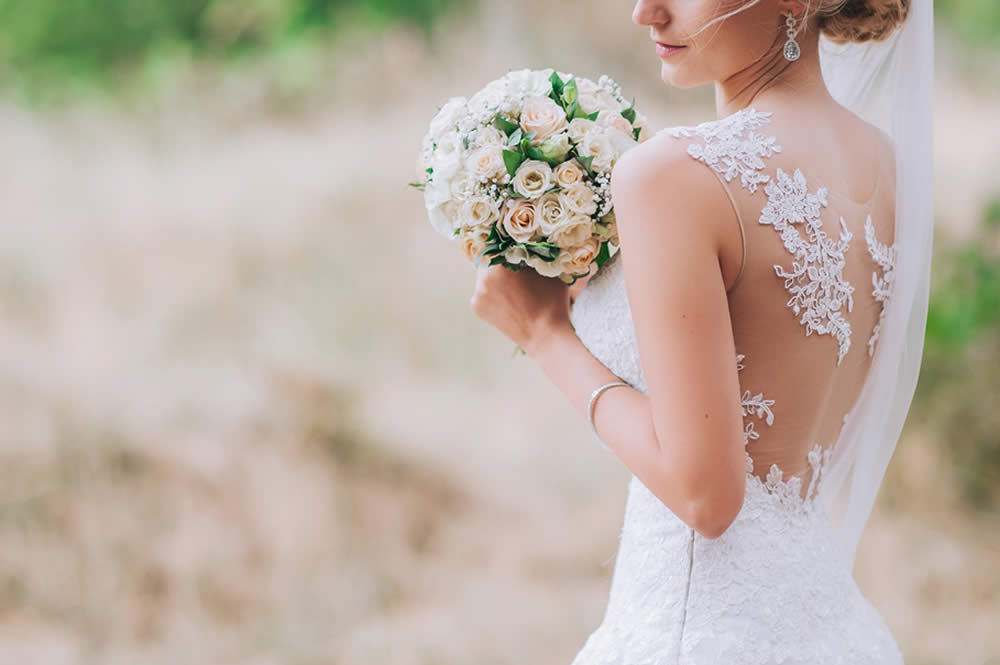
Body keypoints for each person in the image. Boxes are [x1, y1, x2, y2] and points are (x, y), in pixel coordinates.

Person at [469, 0, 933, 661]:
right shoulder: (884, 164)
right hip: (828, 625)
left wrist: (546, 334)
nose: (644, 12)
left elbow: (706, 494)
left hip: (696, 632)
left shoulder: (672, 176)